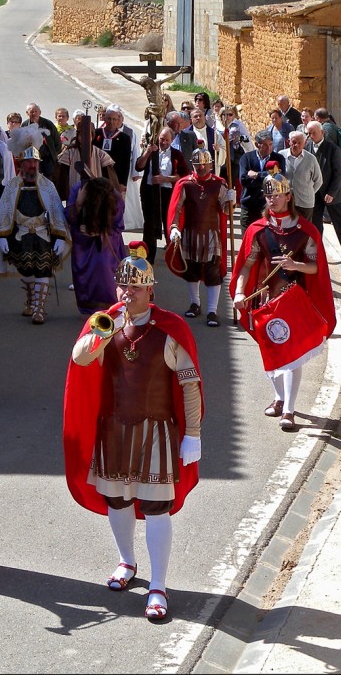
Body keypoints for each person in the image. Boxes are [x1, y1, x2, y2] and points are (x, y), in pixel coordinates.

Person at [63, 241, 204, 620]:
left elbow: (190, 384)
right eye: (122, 287)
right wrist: (102, 335)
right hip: (114, 430)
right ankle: (127, 563)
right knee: (118, 501)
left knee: (157, 508)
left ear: (150, 290)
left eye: (135, 288)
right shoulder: (103, 322)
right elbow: (79, 360)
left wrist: (193, 433)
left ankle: (158, 584)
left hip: (156, 431)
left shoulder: (170, 330)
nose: (127, 294)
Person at [230, 175, 335, 431]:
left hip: (293, 300)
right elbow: (246, 265)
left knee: (292, 356)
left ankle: (289, 410)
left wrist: (295, 265)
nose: (272, 200)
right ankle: (279, 397)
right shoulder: (259, 230)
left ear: (289, 196)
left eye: (277, 195)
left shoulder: (305, 231)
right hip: (265, 300)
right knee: (271, 350)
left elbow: (315, 268)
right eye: (268, 196)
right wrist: (240, 293)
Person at [0, 152, 71, 324]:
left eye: (35, 161)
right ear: (21, 163)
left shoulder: (48, 186)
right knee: (26, 269)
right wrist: (2, 237)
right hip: (21, 235)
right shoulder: (12, 186)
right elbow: (4, 213)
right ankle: (31, 301)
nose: (32, 165)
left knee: (43, 268)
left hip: (43, 235)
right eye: (28, 161)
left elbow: (57, 212)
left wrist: (60, 237)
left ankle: (39, 309)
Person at [166, 147, 236, 327]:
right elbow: (178, 207)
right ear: (193, 165)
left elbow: (226, 210)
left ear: (211, 165)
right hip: (190, 234)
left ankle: (212, 311)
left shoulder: (219, 184)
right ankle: (195, 303)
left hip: (212, 235)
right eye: (198, 165)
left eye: (205, 165)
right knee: (192, 271)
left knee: (213, 272)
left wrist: (231, 200)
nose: (202, 168)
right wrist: (174, 227)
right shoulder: (185, 184)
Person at [65, 174, 128, 317]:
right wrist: (79, 204)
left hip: (106, 242)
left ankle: (111, 308)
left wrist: (100, 233)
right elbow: (69, 216)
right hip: (84, 243)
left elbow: (118, 226)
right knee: (85, 274)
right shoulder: (78, 190)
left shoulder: (115, 196)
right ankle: (88, 309)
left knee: (104, 268)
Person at [135, 127, 188, 263]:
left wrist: (165, 179)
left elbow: (183, 175)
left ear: (171, 140)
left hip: (167, 193)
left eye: (166, 140)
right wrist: (147, 153)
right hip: (149, 192)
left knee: (169, 222)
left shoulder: (176, 154)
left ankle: (173, 255)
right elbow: (138, 166)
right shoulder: (151, 151)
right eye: (161, 139)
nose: (163, 142)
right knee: (149, 224)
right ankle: (148, 257)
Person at [306, 120, 341, 261]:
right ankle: (317, 251)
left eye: (314, 133)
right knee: (315, 224)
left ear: (322, 133)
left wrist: (331, 193)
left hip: (332, 193)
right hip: (314, 193)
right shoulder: (307, 147)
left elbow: (338, 173)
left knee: (340, 222)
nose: (311, 136)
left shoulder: (333, 149)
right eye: (309, 133)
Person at [57, 112, 118, 198]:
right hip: (75, 195)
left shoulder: (100, 154)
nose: (85, 138)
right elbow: (63, 177)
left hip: (96, 196)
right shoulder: (70, 153)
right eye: (82, 135)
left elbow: (109, 178)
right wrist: (65, 195)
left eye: (88, 135)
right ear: (78, 135)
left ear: (92, 136)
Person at [237, 130, 285, 233]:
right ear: (257, 145)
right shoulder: (246, 158)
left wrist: (257, 175)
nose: (269, 148)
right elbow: (244, 180)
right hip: (249, 206)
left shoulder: (278, 159)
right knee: (248, 242)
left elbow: (278, 179)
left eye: (271, 144)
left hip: (269, 207)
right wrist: (269, 174)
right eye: (264, 145)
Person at [282, 131, 321, 221]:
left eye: (299, 143)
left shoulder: (311, 159)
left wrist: (308, 192)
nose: (296, 145)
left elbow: (318, 180)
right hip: (285, 202)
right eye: (294, 142)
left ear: (305, 143)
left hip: (305, 203)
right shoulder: (281, 155)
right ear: (289, 142)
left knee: (304, 230)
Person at [24, 102, 62, 181]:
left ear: (40, 112)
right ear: (27, 113)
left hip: (47, 160)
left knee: (47, 183)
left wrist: (53, 155)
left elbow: (57, 143)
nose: (34, 113)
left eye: (36, 111)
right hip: (31, 160)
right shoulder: (24, 125)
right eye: (31, 112)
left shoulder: (48, 124)